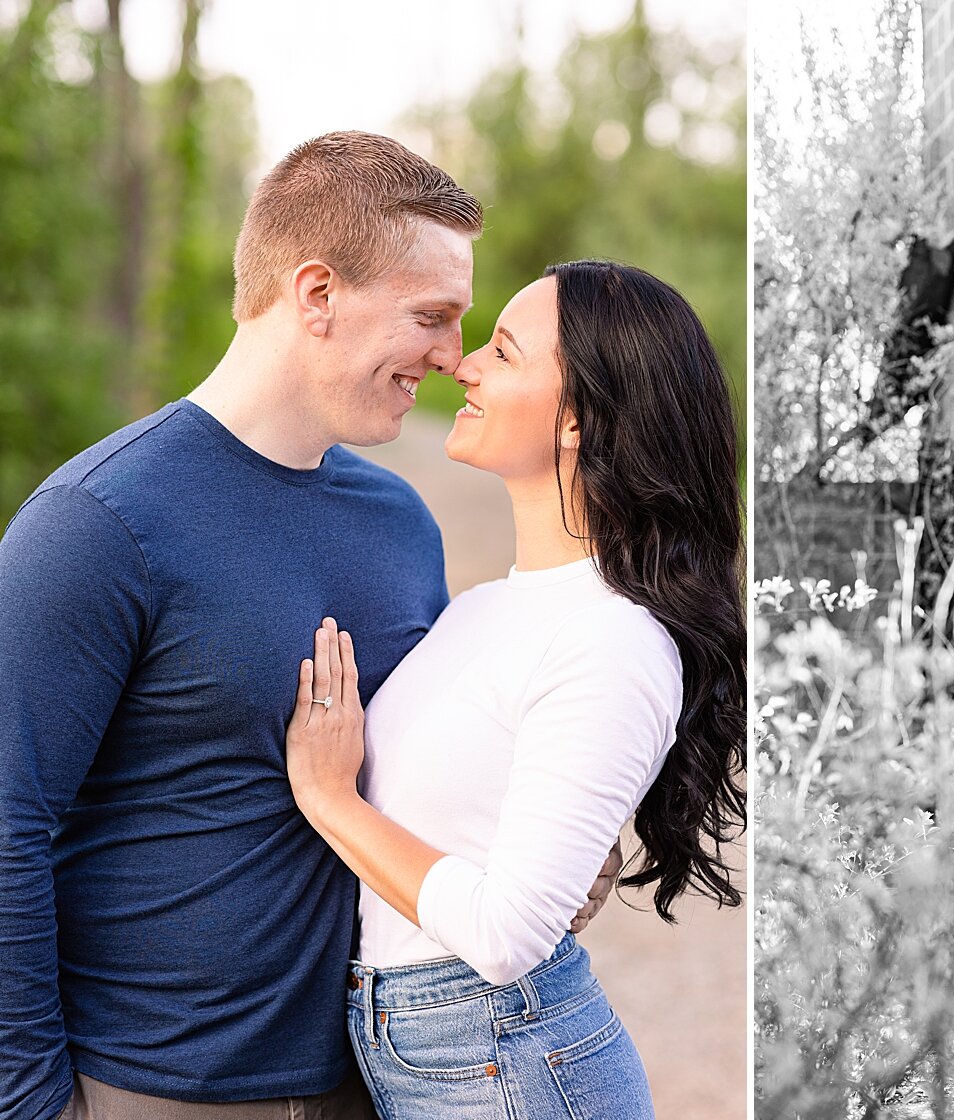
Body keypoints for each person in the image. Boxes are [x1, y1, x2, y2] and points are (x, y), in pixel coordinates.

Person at [0, 132, 616, 1120]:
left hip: (376, 1081)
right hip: (153, 1090)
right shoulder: (99, 525)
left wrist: (543, 848)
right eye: (431, 316)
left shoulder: (399, 524)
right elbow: (7, 821)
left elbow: (407, 772)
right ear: (318, 294)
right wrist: (33, 1105)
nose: (452, 356)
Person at [281, 259, 746, 1118]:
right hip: (440, 1057)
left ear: (578, 420)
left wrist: (327, 797)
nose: (462, 364)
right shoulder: (485, 608)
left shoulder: (614, 640)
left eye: (502, 350)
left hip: (507, 1066)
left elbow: (504, 935)